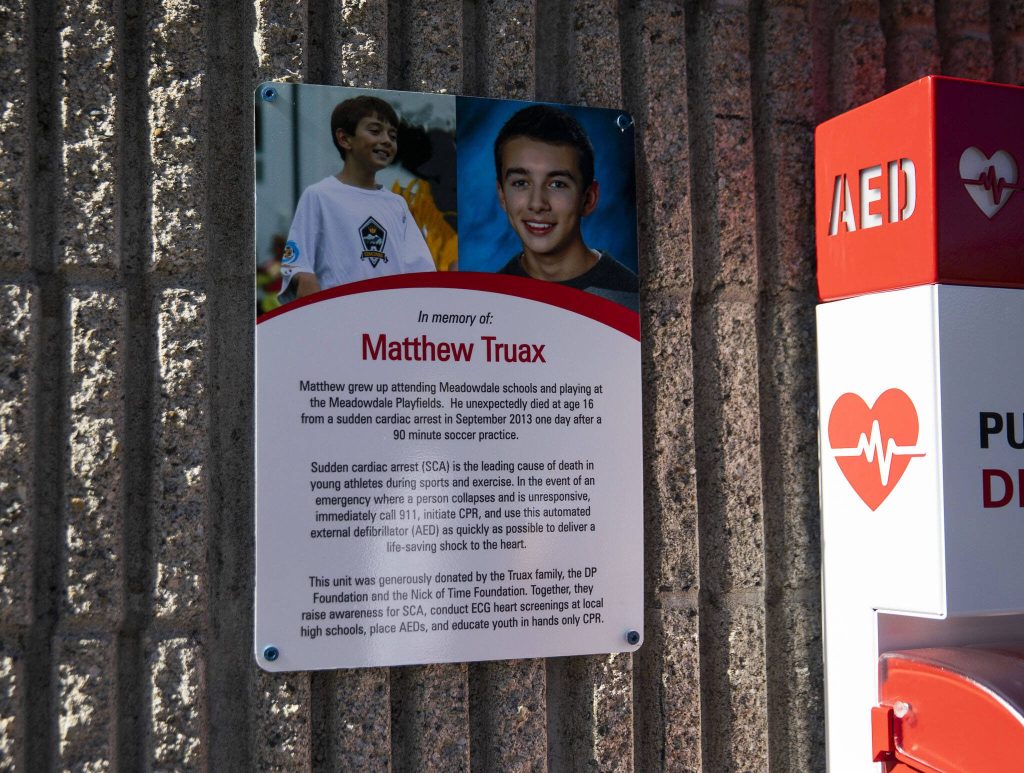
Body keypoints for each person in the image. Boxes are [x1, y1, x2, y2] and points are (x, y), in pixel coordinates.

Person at [279, 96, 436, 303]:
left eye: (392, 135)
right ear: (344, 139)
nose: (387, 141)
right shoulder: (320, 196)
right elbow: (296, 262)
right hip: (339, 321)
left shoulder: (397, 205)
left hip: (389, 324)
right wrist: (303, 277)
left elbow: (421, 272)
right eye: (375, 131)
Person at [493, 105, 638, 310]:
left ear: (588, 198)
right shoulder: (489, 298)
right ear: (502, 196)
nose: (537, 204)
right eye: (521, 183)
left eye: (557, 184)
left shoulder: (631, 299)